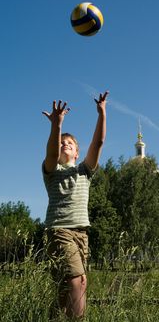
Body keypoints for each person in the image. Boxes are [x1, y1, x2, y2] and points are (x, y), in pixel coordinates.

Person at [42, 91, 108, 318]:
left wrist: (102, 113)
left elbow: (98, 142)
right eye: (62, 143)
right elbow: (51, 151)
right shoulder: (52, 170)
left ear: (78, 152)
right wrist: (57, 125)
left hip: (82, 233)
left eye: (69, 143)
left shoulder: (84, 171)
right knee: (75, 280)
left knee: (70, 287)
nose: (64, 145)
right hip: (59, 230)